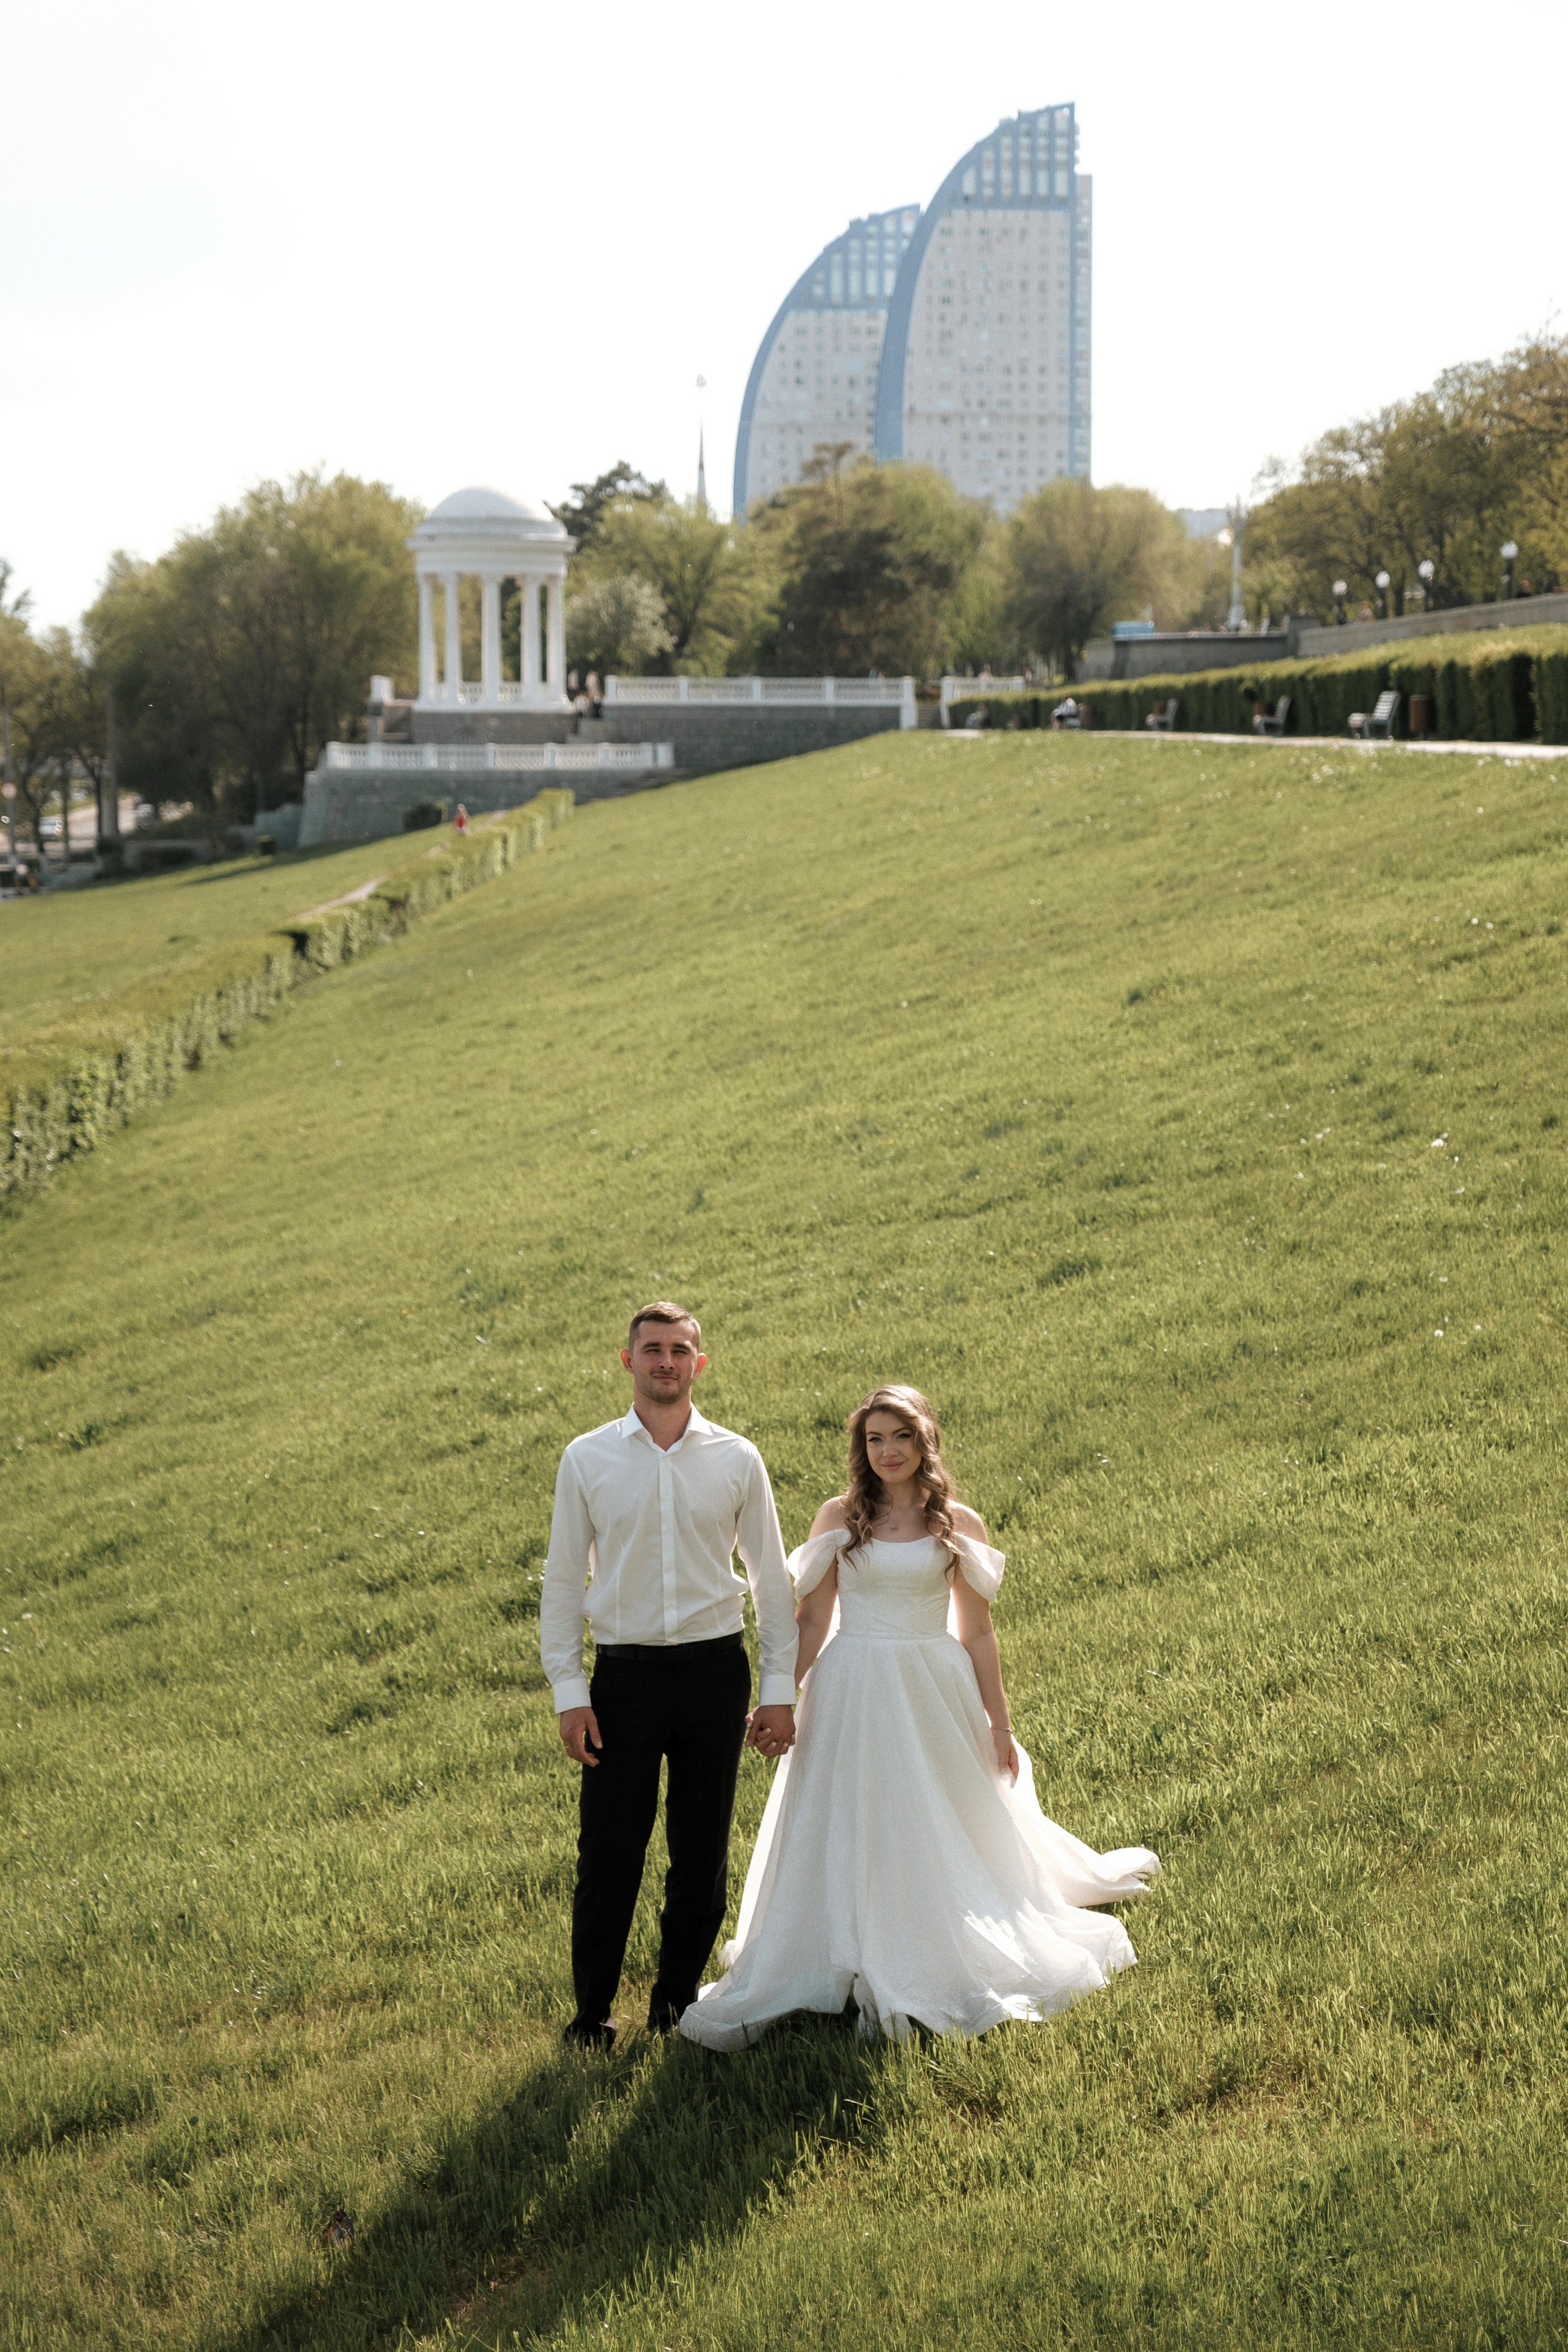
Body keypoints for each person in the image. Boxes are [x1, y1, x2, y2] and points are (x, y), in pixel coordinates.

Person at [679, 1386, 1159, 2049]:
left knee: (930, 1813)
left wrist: (999, 1723)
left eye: (899, 1437)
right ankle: (836, 1942)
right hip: (850, 1684)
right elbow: (812, 1620)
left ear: (923, 1441)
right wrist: (778, 1695)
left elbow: (979, 1632)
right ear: (861, 1449)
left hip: (933, 1684)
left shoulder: (958, 1523)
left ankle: (928, 1940)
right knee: (850, 1813)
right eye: (874, 1440)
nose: (887, 1452)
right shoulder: (837, 1518)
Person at [540, 1303, 798, 2048]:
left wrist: (777, 1691)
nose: (665, 1361)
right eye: (651, 1349)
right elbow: (562, 1584)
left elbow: (771, 1582)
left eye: (679, 1350)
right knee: (609, 1854)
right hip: (622, 1681)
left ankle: (676, 2006)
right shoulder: (585, 1459)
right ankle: (590, 2018)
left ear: (698, 1363)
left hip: (714, 1672)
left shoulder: (736, 1457)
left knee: (700, 1851)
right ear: (627, 1361)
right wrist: (570, 1693)